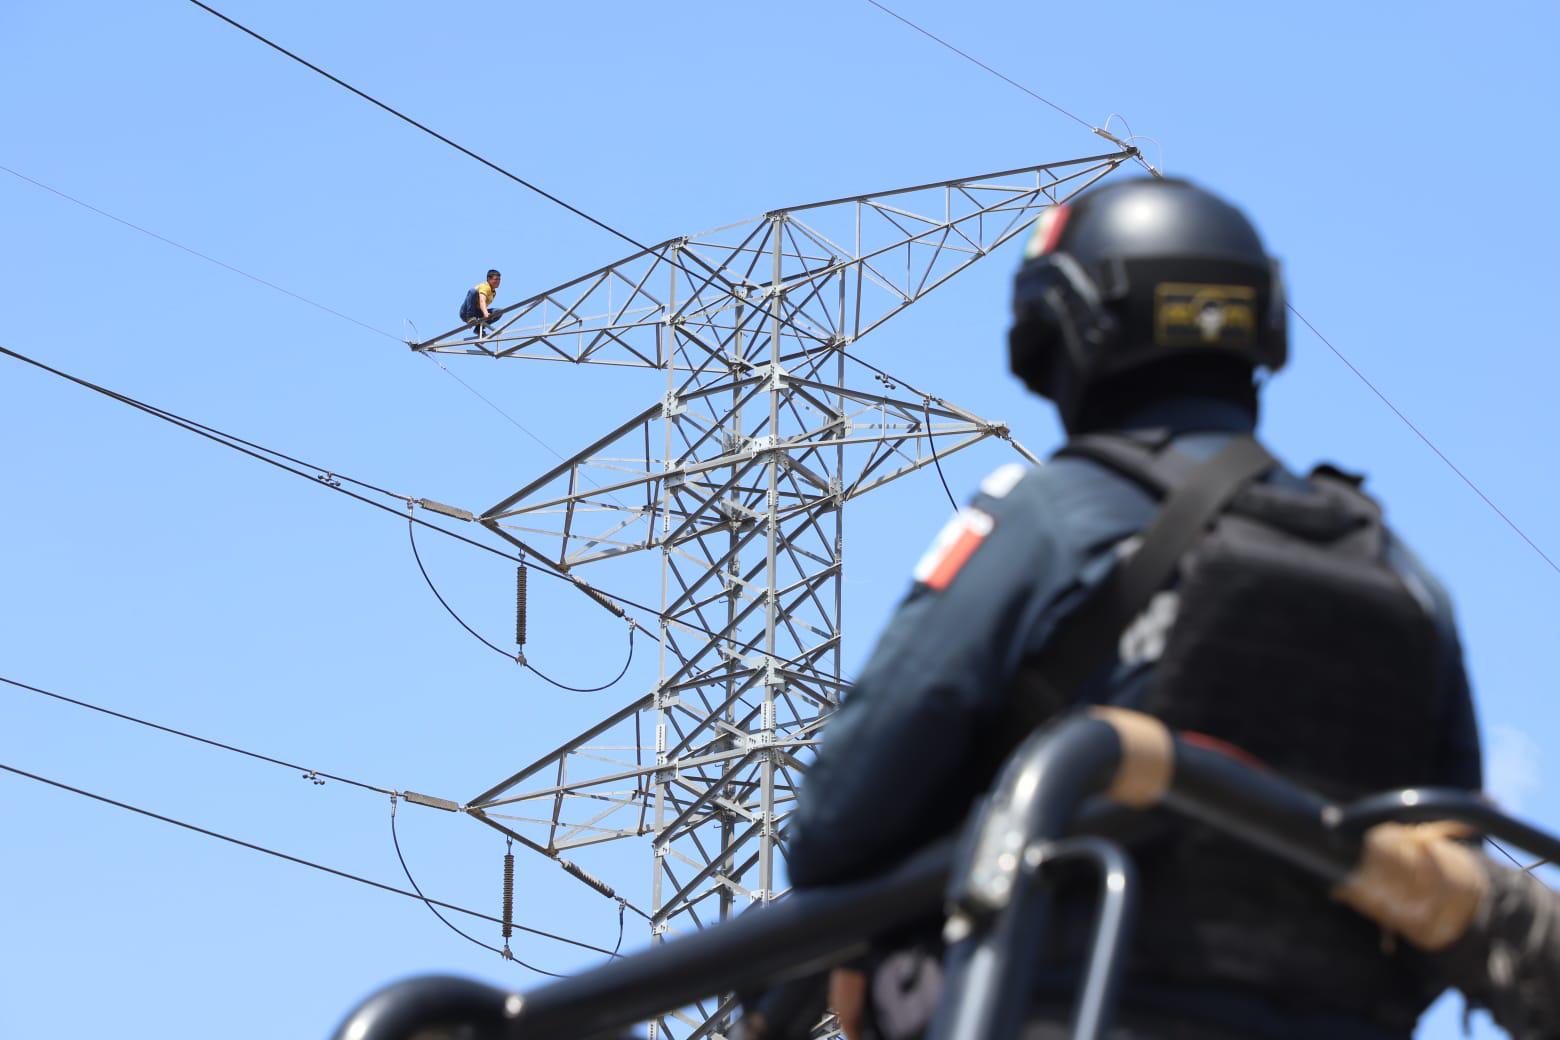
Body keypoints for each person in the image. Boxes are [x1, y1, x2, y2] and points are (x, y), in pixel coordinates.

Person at [783, 178, 1483, 1039]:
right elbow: (1452, 880)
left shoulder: (1047, 517)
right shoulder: (1399, 573)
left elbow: (836, 824)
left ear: (1070, 329)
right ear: (1262, 324)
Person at [460, 269, 502, 333]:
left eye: (499, 279)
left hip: (477, 312)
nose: (498, 281)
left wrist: (488, 315)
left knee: (498, 312)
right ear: (489, 279)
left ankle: (479, 329)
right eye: (496, 279)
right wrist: (485, 313)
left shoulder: (493, 292)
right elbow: (482, 301)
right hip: (466, 312)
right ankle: (470, 318)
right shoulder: (485, 286)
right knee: (472, 291)